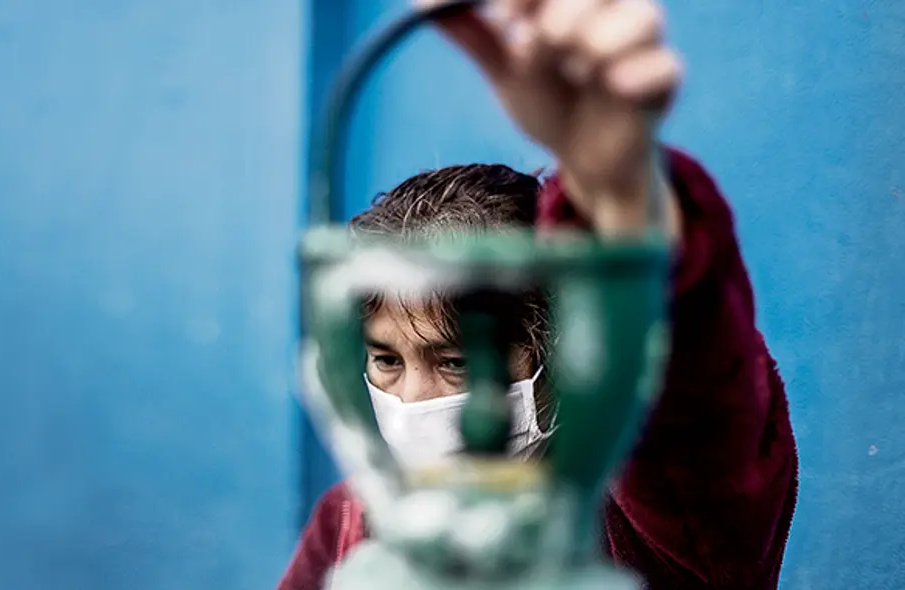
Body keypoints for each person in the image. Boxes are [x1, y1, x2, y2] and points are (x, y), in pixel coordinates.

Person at [280, 0, 798, 588]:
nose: (413, 403)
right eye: (386, 361)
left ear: (556, 350)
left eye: (458, 362)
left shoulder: (651, 517)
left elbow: (695, 398)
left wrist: (619, 194)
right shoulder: (347, 519)